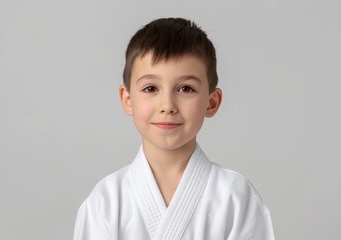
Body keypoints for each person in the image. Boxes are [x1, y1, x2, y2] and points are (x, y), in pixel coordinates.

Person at [73, 17, 275, 240]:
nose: (167, 105)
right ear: (128, 99)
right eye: (151, 88)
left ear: (211, 102)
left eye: (186, 88)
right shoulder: (106, 200)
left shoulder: (234, 196)